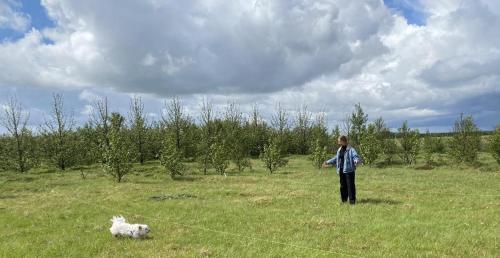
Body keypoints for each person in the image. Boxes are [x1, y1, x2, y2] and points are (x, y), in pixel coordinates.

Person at [322, 135, 361, 204]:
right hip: (341, 170)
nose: (338, 142)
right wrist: (327, 162)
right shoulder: (339, 149)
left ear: (343, 141)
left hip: (349, 171)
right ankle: (344, 200)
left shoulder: (351, 149)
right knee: (342, 186)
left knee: (350, 186)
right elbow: (336, 158)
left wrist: (356, 161)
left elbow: (355, 156)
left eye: (339, 141)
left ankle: (352, 201)